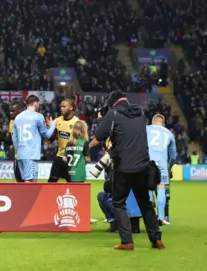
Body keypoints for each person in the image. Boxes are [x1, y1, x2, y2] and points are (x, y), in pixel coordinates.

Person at [90, 90, 164, 250]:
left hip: (123, 167)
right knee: (145, 203)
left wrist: (102, 122)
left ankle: (127, 241)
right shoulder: (140, 114)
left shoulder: (113, 113)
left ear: (113, 102)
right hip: (143, 165)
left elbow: (99, 135)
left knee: (119, 203)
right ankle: (156, 239)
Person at [12, 95, 57, 182]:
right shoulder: (38, 116)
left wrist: (19, 150)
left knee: (26, 180)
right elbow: (47, 135)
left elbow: (15, 137)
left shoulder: (18, 117)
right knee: (31, 182)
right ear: (36, 103)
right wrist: (53, 125)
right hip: (31, 154)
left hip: (21, 155)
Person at [146, 114, 176, 225]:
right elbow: (173, 157)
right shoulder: (169, 133)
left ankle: (149, 216)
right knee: (161, 187)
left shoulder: (146, 129)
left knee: (147, 188)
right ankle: (161, 217)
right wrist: (168, 168)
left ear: (152, 122)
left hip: (146, 162)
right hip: (162, 164)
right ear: (163, 124)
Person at [48, 99, 79, 183]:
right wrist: (51, 128)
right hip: (59, 158)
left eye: (64, 106)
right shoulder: (57, 120)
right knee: (50, 185)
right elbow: (51, 139)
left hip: (71, 160)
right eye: (61, 107)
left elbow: (80, 143)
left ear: (71, 108)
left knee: (74, 186)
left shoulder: (77, 123)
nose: (61, 108)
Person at [8, 100, 24, 182]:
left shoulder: (26, 121)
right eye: (10, 111)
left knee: (29, 182)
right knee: (19, 181)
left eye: (13, 111)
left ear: (20, 110)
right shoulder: (11, 122)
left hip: (27, 157)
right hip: (17, 157)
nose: (11, 113)